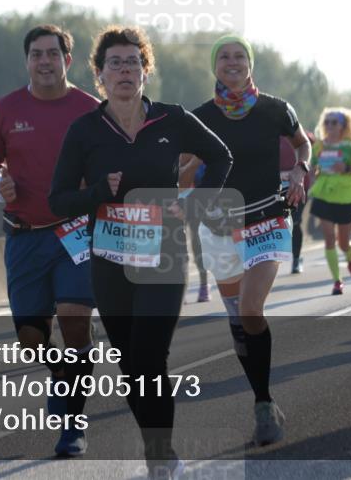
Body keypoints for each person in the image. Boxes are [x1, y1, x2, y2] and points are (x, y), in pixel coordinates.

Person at [49, 25, 232, 479]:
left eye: (133, 62)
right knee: (131, 366)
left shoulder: (171, 120)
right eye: (115, 63)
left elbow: (221, 155)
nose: (125, 70)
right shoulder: (84, 131)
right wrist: (96, 193)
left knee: (151, 356)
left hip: (164, 256)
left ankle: (160, 456)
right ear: (100, 75)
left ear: (146, 71)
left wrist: (194, 201)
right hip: (110, 262)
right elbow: (58, 200)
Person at [0, 24, 100, 456]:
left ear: (68, 60)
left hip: (76, 234)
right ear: (27, 60)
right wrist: (0, 189)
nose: (44, 61)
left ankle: (73, 424)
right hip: (25, 237)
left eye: (53, 53)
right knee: (32, 339)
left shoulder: (90, 109)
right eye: (36, 54)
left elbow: (111, 161)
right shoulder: (7, 109)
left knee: (73, 319)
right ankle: (62, 374)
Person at [185, 34, 311, 446]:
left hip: (267, 220)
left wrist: (298, 170)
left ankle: (262, 402)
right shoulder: (199, 118)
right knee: (239, 323)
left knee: (252, 309)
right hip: (220, 229)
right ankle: (263, 400)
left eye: (240, 56)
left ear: (250, 64)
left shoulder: (276, 109)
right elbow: (183, 171)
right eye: (224, 57)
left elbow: (302, 143)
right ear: (215, 66)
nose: (232, 62)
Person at [308, 108, 351, 295]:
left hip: (346, 196)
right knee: (329, 237)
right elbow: (312, 166)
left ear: (342, 125)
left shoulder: (350, 147)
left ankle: (350, 257)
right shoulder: (319, 146)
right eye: (327, 122)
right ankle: (337, 281)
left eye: (334, 122)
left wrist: (345, 166)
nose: (330, 125)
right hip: (324, 195)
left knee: (343, 242)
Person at [178, 159, 213, 301]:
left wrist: (188, 167)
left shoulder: (194, 144)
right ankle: (180, 289)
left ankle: (204, 284)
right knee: (177, 243)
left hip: (193, 197)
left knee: (196, 242)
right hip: (171, 197)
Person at [281, 133, 315, 275]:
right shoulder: (266, 132)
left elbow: (310, 142)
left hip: (298, 184)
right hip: (274, 186)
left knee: (295, 221)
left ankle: (296, 259)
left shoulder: (294, 131)